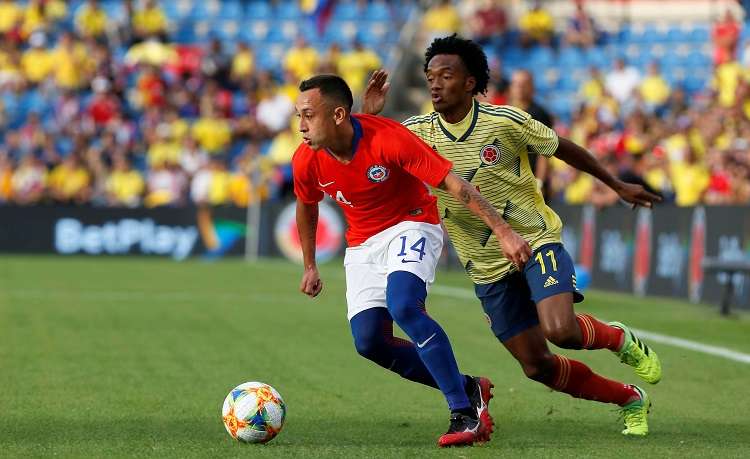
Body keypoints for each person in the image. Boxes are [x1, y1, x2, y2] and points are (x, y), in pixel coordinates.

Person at [362, 35, 663, 436]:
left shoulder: (506, 122)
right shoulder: (414, 132)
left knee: (562, 331)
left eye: (445, 75)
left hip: (535, 239)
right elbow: (369, 160)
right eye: (429, 76)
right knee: (537, 365)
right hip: (485, 266)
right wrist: (369, 120)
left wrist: (615, 184)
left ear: (470, 83)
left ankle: (618, 338)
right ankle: (630, 399)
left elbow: (564, 148)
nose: (434, 84)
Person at [292, 74, 530, 447]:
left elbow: (456, 185)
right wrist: (310, 264)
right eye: (298, 116)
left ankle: (464, 413)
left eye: (308, 115)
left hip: (412, 223)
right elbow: (306, 206)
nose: (301, 126)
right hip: (362, 245)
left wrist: (503, 232)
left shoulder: (389, 138)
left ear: (338, 115)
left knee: (404, 305)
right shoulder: (306, 160)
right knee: (369, 342)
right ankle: (469, 387)